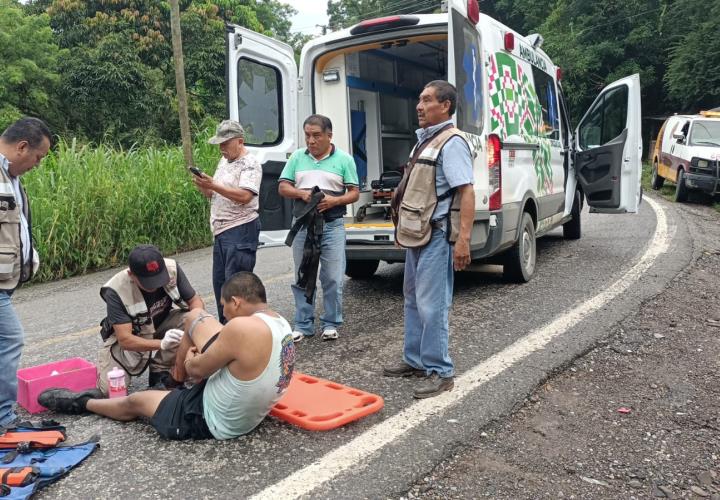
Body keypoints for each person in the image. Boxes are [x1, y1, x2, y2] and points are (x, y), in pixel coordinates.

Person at [40, 272, 296, 441]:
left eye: (224, 305)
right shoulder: (278, 321)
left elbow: (197, 371)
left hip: (211, 418)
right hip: (248, 410)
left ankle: (84, 403)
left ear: (236, 302)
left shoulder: (240, 328)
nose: (224, 313)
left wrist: (190, 360)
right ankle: (174, 381)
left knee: (135, 401)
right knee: (193, 317)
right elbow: (198, 320)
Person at [383, 81, 475, 399]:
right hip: (417, 235)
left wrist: (462, 240)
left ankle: (441, 371)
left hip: (437, 235)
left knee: (432, 305)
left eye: (427, 100)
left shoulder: (452, 142)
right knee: (411, 298)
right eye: (419, 100)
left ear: (445, 105)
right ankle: (415, 360)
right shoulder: (425, 141)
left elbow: (466, 192)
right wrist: (402, 229)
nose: (419, 106)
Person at [278, 115, 359, 342]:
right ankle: (303, 324)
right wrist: (301, 193)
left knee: (332, 276)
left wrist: (334, 201)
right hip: (303, 225)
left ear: (329, 136)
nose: (311, 141)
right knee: (303, 273)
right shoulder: (297, 157)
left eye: (316, 135)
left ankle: (331, 322)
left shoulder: (344, 159)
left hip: (332, 226)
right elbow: (283, 187)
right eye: (307, 136)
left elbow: (354, 192)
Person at [96, 244, 204, 395]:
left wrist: (197, 330)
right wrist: (162, 344)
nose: (155, 286)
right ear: (131, 274)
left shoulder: (171, 268)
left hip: (163, 322)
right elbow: (125, 340)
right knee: (110, 390)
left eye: (158, 278)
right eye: (148, 282)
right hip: (134, 334)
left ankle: (160, 371)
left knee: (193, 318)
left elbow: (195, 302)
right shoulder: (116, 289)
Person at [0, 117, 52, 427]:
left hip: (5, 280)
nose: (37, 163)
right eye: (38, 157)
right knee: (11, 339)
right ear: (22, 147)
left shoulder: (11, 178)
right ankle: (4, 417)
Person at [193, 119, 262, 324]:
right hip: (221, 231)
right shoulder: (224, 162)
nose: (221, 149)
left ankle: (243, 332)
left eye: (225, 143)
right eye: (219, 144)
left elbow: (244, 196)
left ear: (239, 141)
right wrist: (205, 185)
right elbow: (213, 193)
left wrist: (213, 184)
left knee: (236, 287)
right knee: (221, 285)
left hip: (241, 229)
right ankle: (227, 330)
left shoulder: (250, 164)